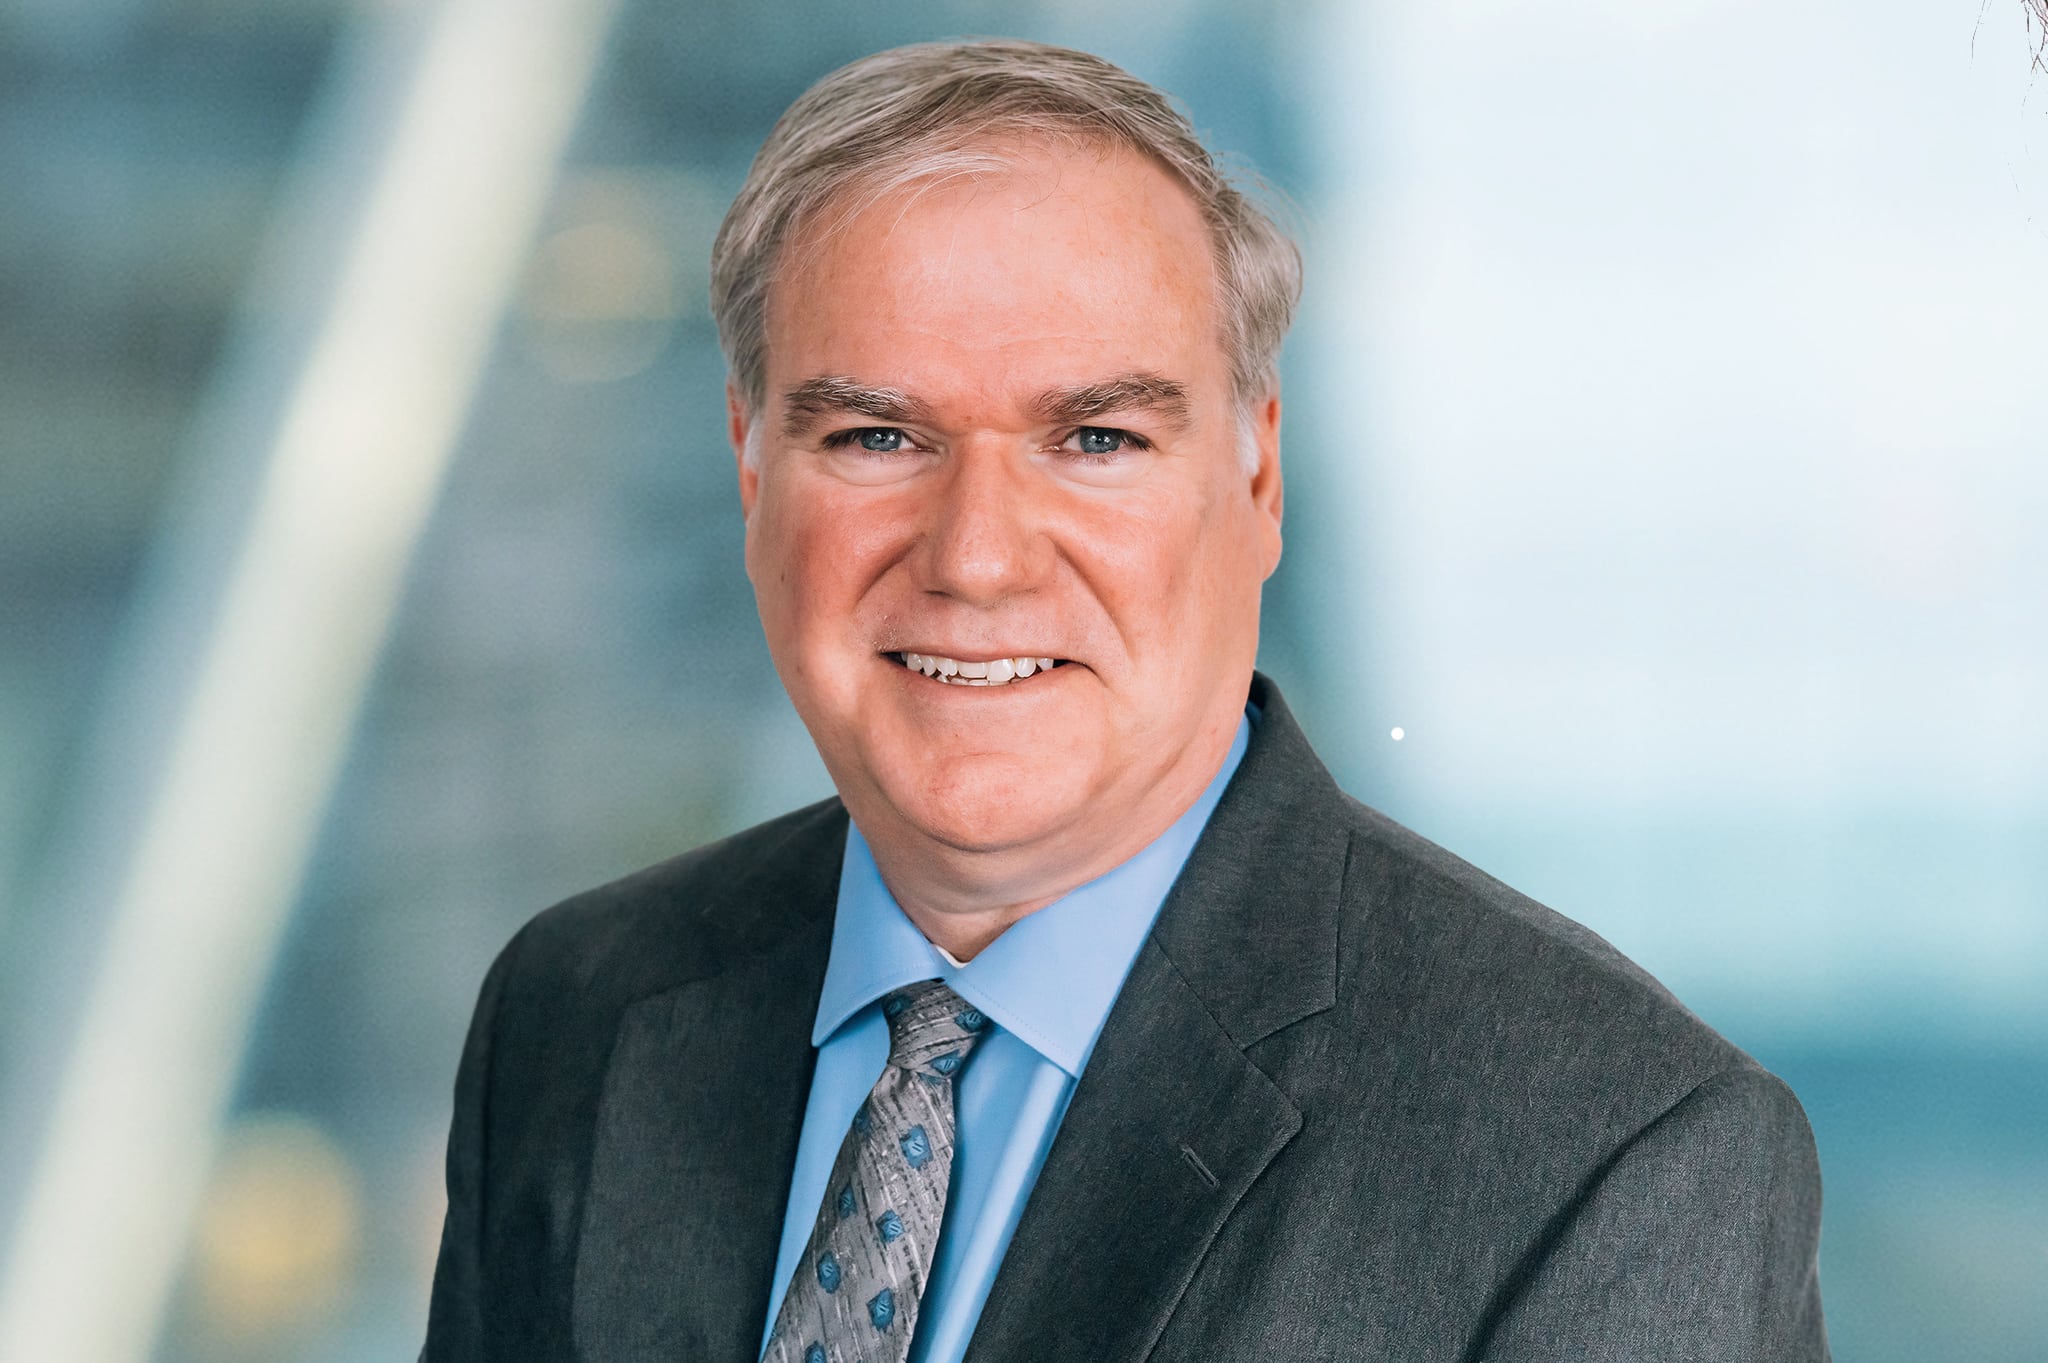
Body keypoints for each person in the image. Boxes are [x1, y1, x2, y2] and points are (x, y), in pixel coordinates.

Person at [422, 38, 1828, 1363]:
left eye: (1094, 437)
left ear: (1258, 477)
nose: (975, 556)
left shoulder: (1612, 1151)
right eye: (876, 436)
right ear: (749, 466)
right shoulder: (577, 1009)